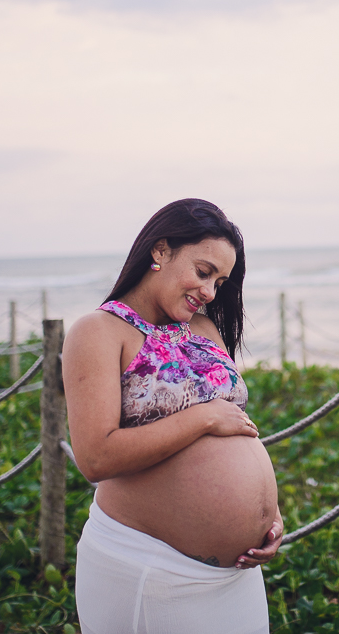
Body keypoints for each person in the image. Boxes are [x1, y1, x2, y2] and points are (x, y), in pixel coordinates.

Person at [64, 199, 281, 634]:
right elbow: (96, 458)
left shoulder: (203, 328)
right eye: (203, 272)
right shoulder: (98, 331)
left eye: (220, 281)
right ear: (160, 251)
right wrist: (201, 419)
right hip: (149, 567)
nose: (210, 292)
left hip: (235, 577)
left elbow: (234, 424)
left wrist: (268, 518)